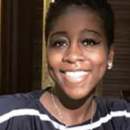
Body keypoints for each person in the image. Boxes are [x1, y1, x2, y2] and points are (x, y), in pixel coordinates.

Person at [0, 0, 130, 129]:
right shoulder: (9, 116)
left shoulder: (121, 118)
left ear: (110, 55)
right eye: (60, 43)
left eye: (89, 42)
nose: (73, 56)